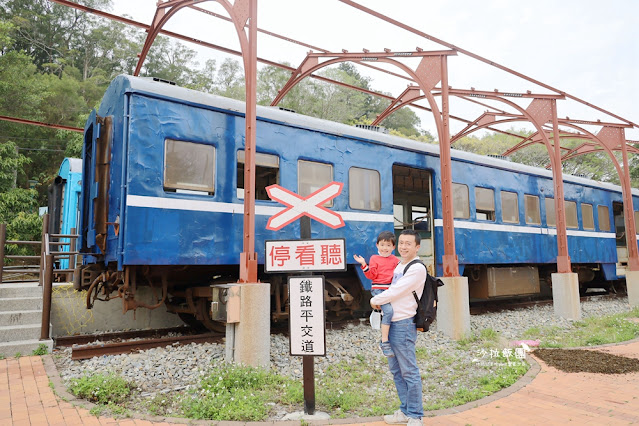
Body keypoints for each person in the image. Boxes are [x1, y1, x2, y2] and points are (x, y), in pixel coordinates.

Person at [370, 229, 426, 425]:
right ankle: (404, 411)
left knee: (409, 371)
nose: (403, 246)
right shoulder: (399, 266)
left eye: (408, 243)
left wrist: (375, 299)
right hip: (392, 323)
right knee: (396, 371)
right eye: (401, 243)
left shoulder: (416, 268)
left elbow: (396, 290)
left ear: (417, 247)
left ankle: (416, 415)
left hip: (403, 324)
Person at [353, 231, 400, 357]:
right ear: (377, 245)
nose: (385, 248)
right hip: (379, 290)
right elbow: (371, 275)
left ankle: (392, 338)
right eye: (383, 245)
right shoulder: (374, 259)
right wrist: (364, 264)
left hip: (391, 290)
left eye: (388, 245)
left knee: (395, 312)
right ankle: (384, 342)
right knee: (389, 312)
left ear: (393, 247)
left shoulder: (395, 260)